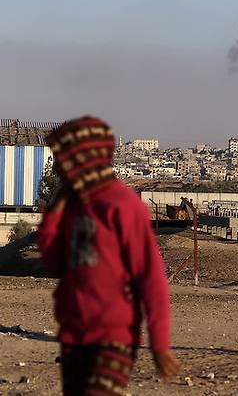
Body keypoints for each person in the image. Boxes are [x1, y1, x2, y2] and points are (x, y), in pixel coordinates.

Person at [38, 116, 179, 395]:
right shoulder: (74, 206)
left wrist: (160, 344)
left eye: (62, 159)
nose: (56, 168)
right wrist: (54, 213)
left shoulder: (123, 206)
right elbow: (54, 262)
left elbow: (152, 280)